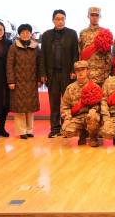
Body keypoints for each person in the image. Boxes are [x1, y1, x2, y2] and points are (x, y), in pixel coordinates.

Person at [39, 9, 79, 138]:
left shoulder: (72, 34)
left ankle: (66, 128)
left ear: (65, 20)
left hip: (67, 74)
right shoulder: (46, 35)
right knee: (54, 103)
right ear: (53, 20)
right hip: (52, 74)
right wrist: (43, 73)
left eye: (62, 19)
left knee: (67, 103)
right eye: (57, 19)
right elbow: (42, 56)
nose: (60, 21)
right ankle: (55, 129)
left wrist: (74, 70)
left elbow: (75, 54)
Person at [7, 24, 41, 139]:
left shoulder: (35, 47)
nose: (25, 34)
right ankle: (22, 131)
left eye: (27, 32)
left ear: (31, 34)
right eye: (23, 32)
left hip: (32, 82)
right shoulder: (13, 47)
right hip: (18, 82)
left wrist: (39, 79)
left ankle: (29, 130)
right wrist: (11, 81)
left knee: (30, 108)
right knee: (20, 108)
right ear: (19, 34)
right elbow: (9, 65)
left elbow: (40, 64)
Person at [61, 60, 102, 147]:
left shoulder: (94, 86)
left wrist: (94, 110)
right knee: (67, 131)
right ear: (75, 72)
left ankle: (93, 137)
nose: (80, 72)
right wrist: (67, 118)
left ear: (88, 71)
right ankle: (82, 134)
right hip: (77, 117)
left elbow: (100, 104)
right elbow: (65, 106)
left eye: (83, 69)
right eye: (78, 70)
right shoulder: (70, 88)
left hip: (91, 116)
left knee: (93, 117)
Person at [79, 7, 111, 86]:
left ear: (100, 16)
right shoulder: (83, 33)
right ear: (88, 16)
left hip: (101, 74)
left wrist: (106, 73)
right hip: (86, 73)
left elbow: (108, 55)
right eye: (92, 15)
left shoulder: (104, 32)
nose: (94, 17)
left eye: (96, 15)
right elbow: (80, 53)